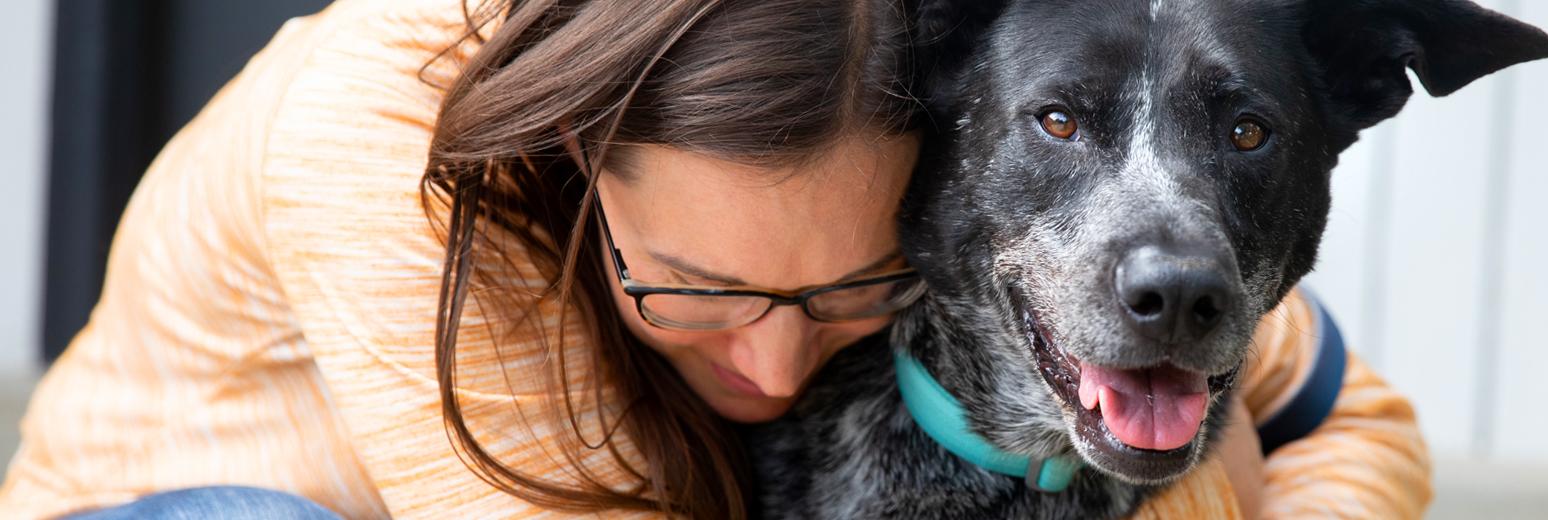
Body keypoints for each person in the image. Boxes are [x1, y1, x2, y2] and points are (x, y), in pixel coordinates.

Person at [0, 0, 1430, 518]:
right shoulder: (396, 146)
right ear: (575, 160)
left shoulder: (1012, 210)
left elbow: (1344, 415)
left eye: (852, 293)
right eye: (696, 290)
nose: (773, 364)